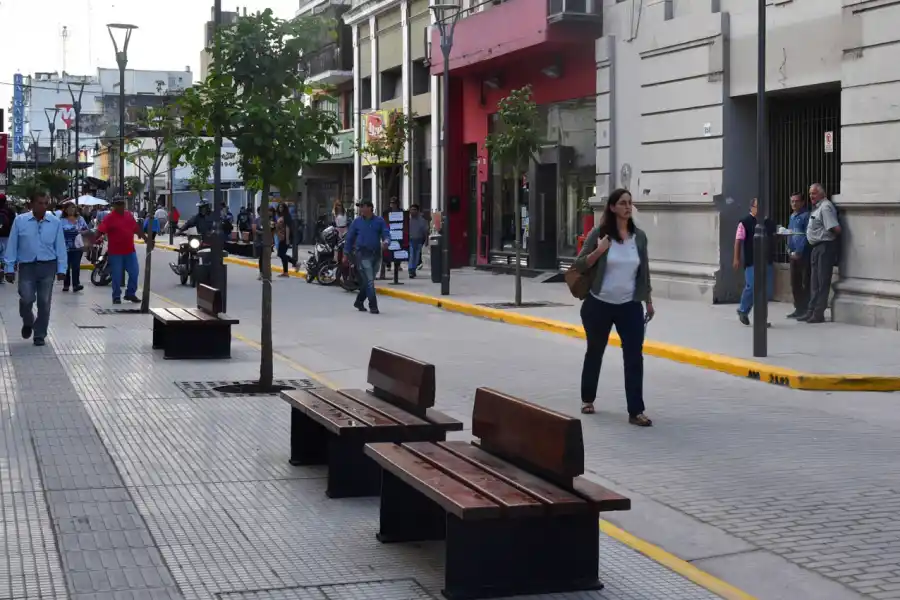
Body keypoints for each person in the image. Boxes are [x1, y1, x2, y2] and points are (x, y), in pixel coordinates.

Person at [573, 189, 653, 426]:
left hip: (630, 305)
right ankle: (588, 398)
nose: (628, 207)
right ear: (612, 207)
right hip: (599, 304)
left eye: (630, 203)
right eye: (623, 203)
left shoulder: (639, 237)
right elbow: (579, 264)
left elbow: (644, 272)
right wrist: (599, 250)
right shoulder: (599, 234)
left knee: (634, 356)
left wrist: (648, 301)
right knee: (595, 351)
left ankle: (636, 411)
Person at [3, 190, 68, 346]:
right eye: (40, 203)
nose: (43, 206)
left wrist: (62, 269)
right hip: (27, 266)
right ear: (31, 204)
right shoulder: (20, 221)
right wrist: (9, 268)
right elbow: (12, 245)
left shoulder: (55, 222)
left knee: (44, 302)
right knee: (27, 298)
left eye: (46, 203)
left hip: (48, 266)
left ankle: (39, 334)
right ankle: (28, 320)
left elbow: (60, 246)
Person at [800, 182, 841, 324]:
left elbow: (835, 228)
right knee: (814, 282)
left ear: (822, 193)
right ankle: (811, 311)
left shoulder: (825, 207)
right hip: (816, 247)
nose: (811, 196)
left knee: (822, 282)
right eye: (810, 193)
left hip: (825, 247)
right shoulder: (818, 207)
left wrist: (827, 237)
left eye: (814, 193)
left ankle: (818, 313)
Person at [733, 197, 775, 326]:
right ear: (752, 208)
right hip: (752, 260)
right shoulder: (745, 222)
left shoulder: (769, 223)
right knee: (752, 286)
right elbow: (738, 241)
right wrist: (736, 258)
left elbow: (774, 237)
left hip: (767, 260)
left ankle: (761, 319)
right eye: (758, 207)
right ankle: (743, 310)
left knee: (765, 291)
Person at [344, 199, 390, 314]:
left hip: (376, 254)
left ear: (370, 208)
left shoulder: (379, 221)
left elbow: (386, 233)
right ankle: (373, 305)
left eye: (363, 206)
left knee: (367, 281)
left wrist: (386, 242)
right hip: (362, 254)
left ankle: (359, 301)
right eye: (360, 207)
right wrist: (346, 253)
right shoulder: (356, 222)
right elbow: (349, 238)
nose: (361, 209)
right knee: (370, 281)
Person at [97, 196, 145, 304]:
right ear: (114, 205)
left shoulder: (129, 215)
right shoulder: (109, 218)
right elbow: (100, 231)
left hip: (130, 251)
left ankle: (130, 293)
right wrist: (93, 241)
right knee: (116, 275)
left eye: (122, 203)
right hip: (115, 252)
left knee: (134, 272)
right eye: (118, 204)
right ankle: (116, 296)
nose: (121, 206)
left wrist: (146, 239)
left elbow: (136, 228)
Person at [785, 192, 811, 319]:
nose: (794, 204)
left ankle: (806, 308)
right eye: (792, 201)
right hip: (793, 253)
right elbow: (790, 233)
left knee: (805, 281)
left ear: (802, 202)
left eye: (796, 201)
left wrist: (799, 251)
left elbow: (807, 235)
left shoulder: (806, 216)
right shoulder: (792, 216)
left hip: (803, 254)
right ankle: (798, 307)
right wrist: (789, 249)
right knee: (794, 282)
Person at [61, 203, 89, 292]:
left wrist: (81, 232)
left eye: (73, 208)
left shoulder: (80, 219)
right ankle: (66, 284)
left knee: (76, 266)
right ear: (65, 210)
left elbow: (86, 230)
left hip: (77, 247)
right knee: (66, 266)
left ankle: (76, 284)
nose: (71, 210)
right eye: (69, 208)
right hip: (65, 247)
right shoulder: (61, 220)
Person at [275, 203, 298, 277]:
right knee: (282, 255)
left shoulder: (286, 217)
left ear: (285, 208)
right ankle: (285, 272)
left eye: (282, 207)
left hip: (285, 238)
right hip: (281, 237)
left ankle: (295, 263)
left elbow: (287, 228)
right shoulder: (280, 216)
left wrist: (287, 239)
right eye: (279, 207)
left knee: (280, 254)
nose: (280, 209)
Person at [408, 204, 428, 279]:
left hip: (419, 240)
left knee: (416, 256)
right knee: (412, 255)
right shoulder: (407, 220)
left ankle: (413, 269)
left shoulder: (422, 221)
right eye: (411, 210)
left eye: (414, 210)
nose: (413, 211)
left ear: (418, 211)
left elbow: (425, 231)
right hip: (410, 240)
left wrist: (426, 240)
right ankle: (411, 270)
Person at [0, 194, 17, 283]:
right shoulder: (10, 210)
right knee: (4, 256)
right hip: (7, 235)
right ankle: (2, 270)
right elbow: (13, 223)